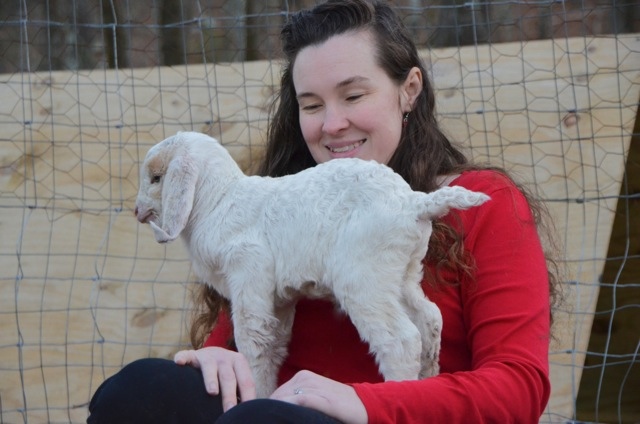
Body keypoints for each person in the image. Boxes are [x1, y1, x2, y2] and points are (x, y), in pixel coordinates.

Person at [87, 0, 561, 422]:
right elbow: (243, 339)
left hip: (375, 416)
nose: (333, 124)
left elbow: (518, 389)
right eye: (312, 105)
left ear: (409, 89)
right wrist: (215, 359)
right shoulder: (279, 207)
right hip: (270, 411)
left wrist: (365, 403)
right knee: (140, 391)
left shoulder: (486, 202)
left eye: (353, 96)